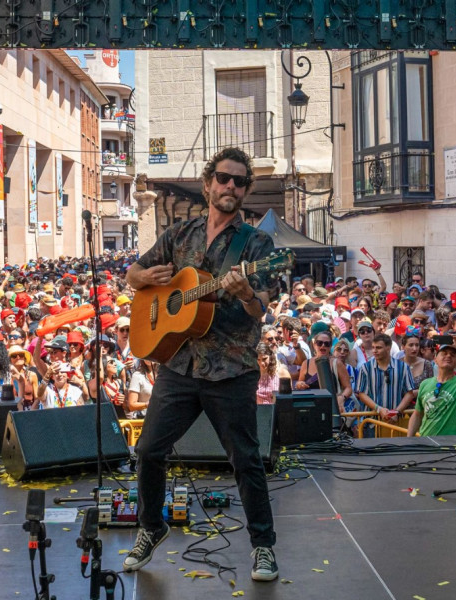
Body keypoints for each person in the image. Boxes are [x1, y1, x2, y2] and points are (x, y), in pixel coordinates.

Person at [123, 147, 279, 581]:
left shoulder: (259, 245)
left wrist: (246, 292)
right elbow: (135, 272)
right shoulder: (180, 233)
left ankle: (263, 546)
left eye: (240, 182)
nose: (231, 186)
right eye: (224, 178)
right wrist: (141, 279)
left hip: (230, 369)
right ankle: (151, 527)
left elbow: (259, 308)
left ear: (246, 190)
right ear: (208, 183)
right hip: (179, 363)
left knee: (245, 459)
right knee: (149, 450)